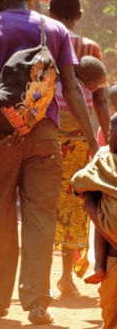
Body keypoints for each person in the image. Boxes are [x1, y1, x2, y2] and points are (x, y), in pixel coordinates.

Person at [0, 0, 99, 325]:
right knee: (41, 216)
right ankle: (38, 302)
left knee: (0, 214)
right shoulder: (54, 29)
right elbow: (71, 89)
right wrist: (91, 140)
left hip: (3, 135)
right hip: (44, 135)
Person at [48, 0, 110, 297]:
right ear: (79, 16)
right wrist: (103, 141)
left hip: (43, 134)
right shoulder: (90, 47)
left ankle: (38, 274)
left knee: (44, 202)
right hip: (79, 138)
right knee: (74, 203)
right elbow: (100, 99)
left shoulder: (40, 47)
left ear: (50, 14)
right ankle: (67, 277)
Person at [71, 112, 117, 329]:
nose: (108, 135)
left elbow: (78, 181)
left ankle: (99, 265)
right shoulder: (104, 158)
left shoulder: (104, 158)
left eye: (110, 131)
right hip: (112, 240)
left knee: (93, 197)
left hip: (112, 244)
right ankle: (99, 265)